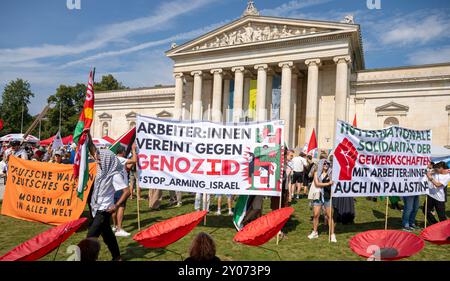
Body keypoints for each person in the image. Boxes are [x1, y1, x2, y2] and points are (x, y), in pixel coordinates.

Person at [87, 146, 131, 261]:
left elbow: (127, 192)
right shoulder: (101, 171)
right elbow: (92, 149)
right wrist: (88, 135)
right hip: (96, 208)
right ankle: (117, 257)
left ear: (107, 160)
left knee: (90, 238)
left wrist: (116, 205)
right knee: (108, 236)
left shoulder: (114, 175)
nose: (98, 160)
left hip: (104, 210)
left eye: (100, 159)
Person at [308, 159, 336, 242]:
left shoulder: (331, 173)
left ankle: (332, 234)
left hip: (327, 196)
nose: (326, 165)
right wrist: (328, 183)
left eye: (327, 164)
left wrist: (332, 182)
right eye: (324, 164)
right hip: (318, 195)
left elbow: (334, 182)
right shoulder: (317, 173)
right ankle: (315, 232)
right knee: (316, 214)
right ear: (321, 165)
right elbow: (317, 184)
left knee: (330, 215)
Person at [112, 144, 136, 237]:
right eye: (124, 151)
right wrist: (133, 150)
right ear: (122, 152)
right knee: (121, 207)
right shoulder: (120, 159)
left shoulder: (114, 159)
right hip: (121, 187)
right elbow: (134, 160)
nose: (125, 152)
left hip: (114, 186)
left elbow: (129, 166)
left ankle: (114, 226)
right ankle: (119, 229)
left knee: (114, 206)